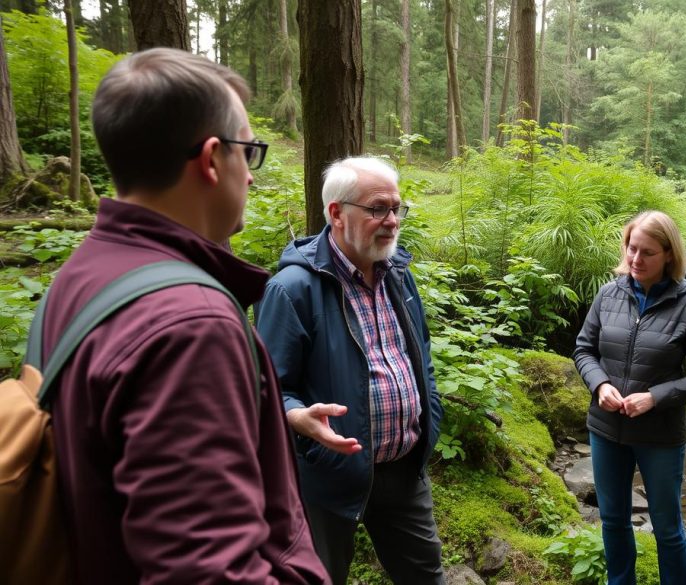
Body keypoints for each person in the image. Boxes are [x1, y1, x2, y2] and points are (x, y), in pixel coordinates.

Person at [41, 48, 328, 583]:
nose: (252, 177)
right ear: (213, 159)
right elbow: (208, 570)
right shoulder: (191, 326)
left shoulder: (83, 275)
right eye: (251, 153)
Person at [256, 156, 445, 584]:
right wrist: (296, 418)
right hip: (326, 477)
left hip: (403, 468)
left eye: (397, 208)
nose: (392, 220)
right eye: (378, 208)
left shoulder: (399, 274)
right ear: (337, 213)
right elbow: (264, 388)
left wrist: (429, 409)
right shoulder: (292, 290)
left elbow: (422, 354)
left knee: (426, 577)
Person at [574, 211, 686, 585]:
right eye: (631, 248)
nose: (635, 259)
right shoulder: (609, 294)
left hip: (659, 436)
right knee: (613, 519)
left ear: (669, 255)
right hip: (607, 428)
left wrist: (654, 397)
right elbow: (583, 350)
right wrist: (599, 384)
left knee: (667, 527)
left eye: (647, 252)